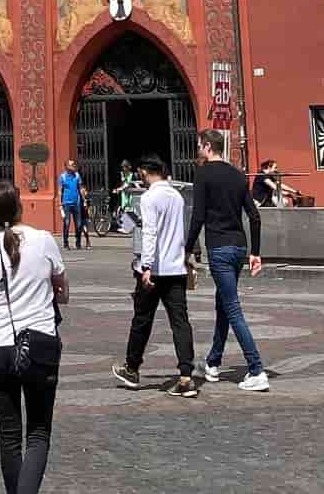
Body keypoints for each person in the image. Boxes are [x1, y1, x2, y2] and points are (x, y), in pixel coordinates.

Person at [0, 181, 67, 494]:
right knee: (39, 433)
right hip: (38, 343)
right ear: (19, 206)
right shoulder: (43, 239)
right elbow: (63, 287)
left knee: (9, 434)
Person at [185, 128, 268, 391]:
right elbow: (254, 216)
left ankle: (256, 369)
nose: (198, 150)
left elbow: (197, 216)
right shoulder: (237, 175)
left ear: (208, 146)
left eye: (200, 145)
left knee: (232, 308)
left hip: (219, 248)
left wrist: (187, 249)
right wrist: (255, 252)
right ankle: (212, 363)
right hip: (239, 248)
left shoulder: (203, 174)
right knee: (222, 304)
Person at [112, 153, 197, 397]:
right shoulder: (177, 196)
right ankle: (185, 375)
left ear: (145, 172)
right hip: (176, 268)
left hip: (156, 270)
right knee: (180, 321)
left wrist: (146, 266)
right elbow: (179, 231)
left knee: (142, 320)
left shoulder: (149, 198)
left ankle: (132, 368)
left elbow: (149, 233)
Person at [57, 160, 85, 252]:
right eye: (72, 165)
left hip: (76, 203)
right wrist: (60, 203)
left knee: (79, 224)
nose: (74, 166)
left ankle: (78, 242)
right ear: (67, 167)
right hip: (66, 204)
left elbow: (80, 188)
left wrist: (84, 200)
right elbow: (60, 191)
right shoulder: (62, 177)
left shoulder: (77, 175)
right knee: (67, 223)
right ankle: (66, 243)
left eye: (74, 164)